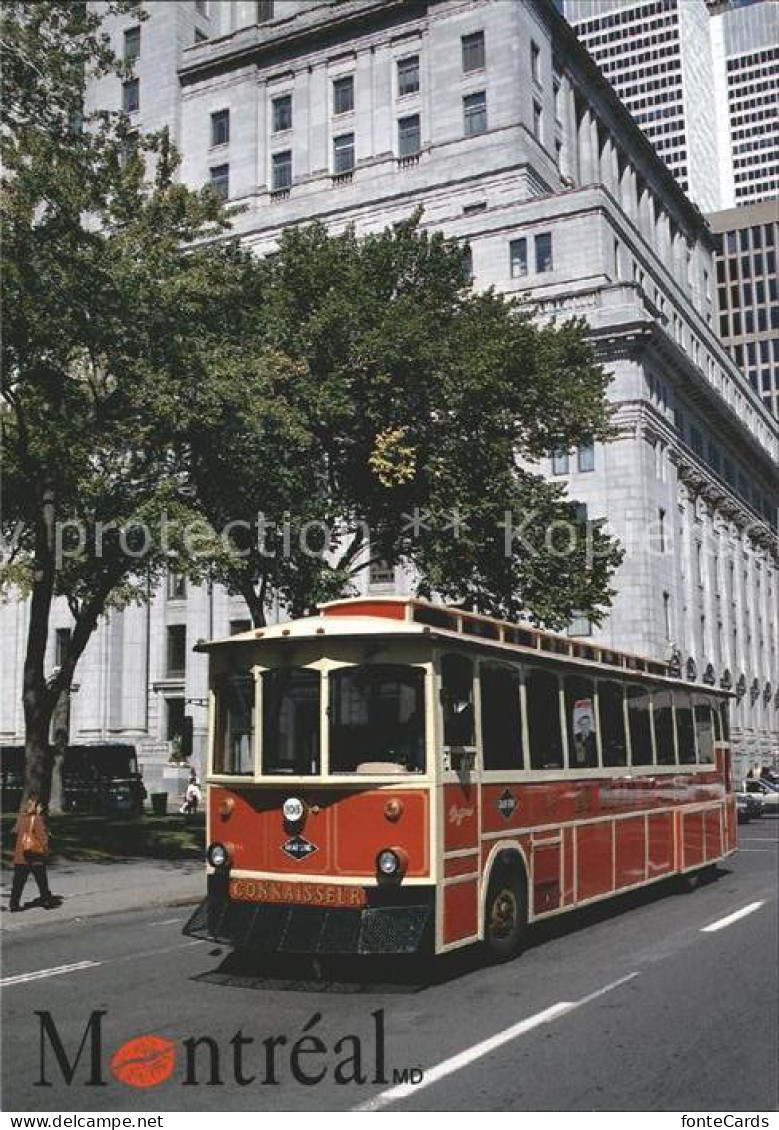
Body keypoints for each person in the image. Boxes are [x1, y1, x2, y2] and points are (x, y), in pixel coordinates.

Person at [9, 796, 60, 912]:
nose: (41, 808)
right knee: (41, 880)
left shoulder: (22, 818)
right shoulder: (37, 819)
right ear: (36, 807)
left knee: (18, 882)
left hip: (21, 856)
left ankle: (14, 904)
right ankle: (46, 900)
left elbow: (15, 832)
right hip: (35, 856)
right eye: (40, 805)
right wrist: (46, 851)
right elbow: (42, 838)